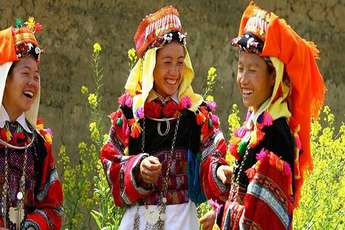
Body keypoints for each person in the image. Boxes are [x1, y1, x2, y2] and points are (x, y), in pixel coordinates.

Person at [100, 5, 231, 230]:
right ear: (151, 65)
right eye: (167, 62)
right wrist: (137, 168)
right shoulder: (131, 114)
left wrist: (219, 171)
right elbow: (110, 159)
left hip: (183, 222)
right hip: (138, 223)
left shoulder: (196, 114)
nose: (175, 72)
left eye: (180, 62)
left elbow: (212, 155)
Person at [200, 2, 325, 229]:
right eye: (240, 68)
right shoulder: (257, 126)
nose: (243, 79)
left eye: (253, 70)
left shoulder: (276, 135)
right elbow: (248, 197)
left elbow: (258, 221)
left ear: (273, 77)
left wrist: (221, 215)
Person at [0, 18, 63, 229]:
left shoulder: (38, 145)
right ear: (5, 78)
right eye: (25, 73)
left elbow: (53, 206)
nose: (32, 83)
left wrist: (31, 226)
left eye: (36, 76)